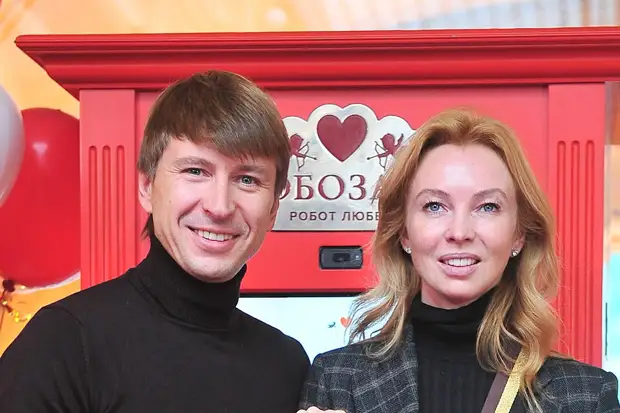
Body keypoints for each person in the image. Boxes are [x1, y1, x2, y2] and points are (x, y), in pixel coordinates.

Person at [0, 70, 310, 412]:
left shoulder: (287, 364)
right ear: (147, 187)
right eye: (195, 171)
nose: (220, 206)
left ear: (273, 208)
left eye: (247, 179)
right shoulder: (64, 343)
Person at [298, 109, 620, 413]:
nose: (460, 232)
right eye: (434, 206)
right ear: (404, 233)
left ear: (519, 234)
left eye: (488, 207)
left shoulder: (586, 396)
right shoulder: (337, 380)